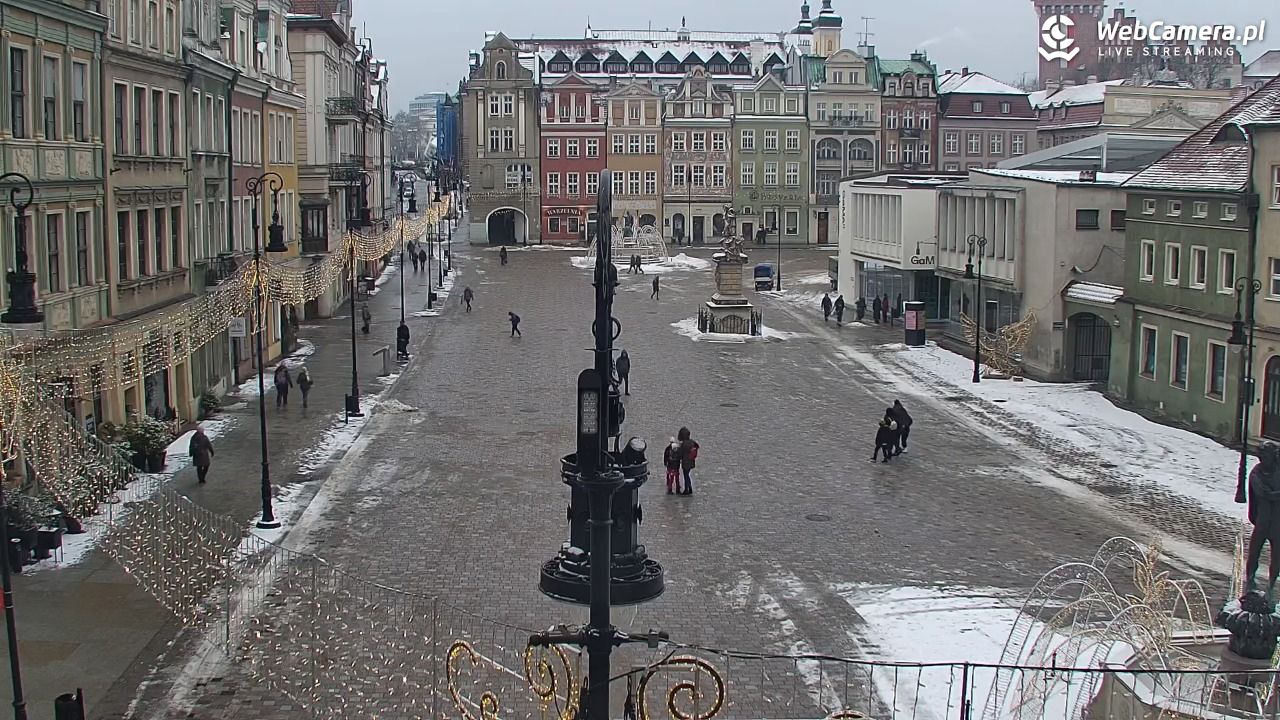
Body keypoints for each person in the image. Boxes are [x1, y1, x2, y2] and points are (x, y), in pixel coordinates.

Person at [677, 427, 699, 496]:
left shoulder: (684, 444)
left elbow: (680, 454)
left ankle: (687, 489)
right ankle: (689, 488)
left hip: (685, 462)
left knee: (686, 476)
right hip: (691, 461)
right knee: (687, 475)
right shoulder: (692, 442)